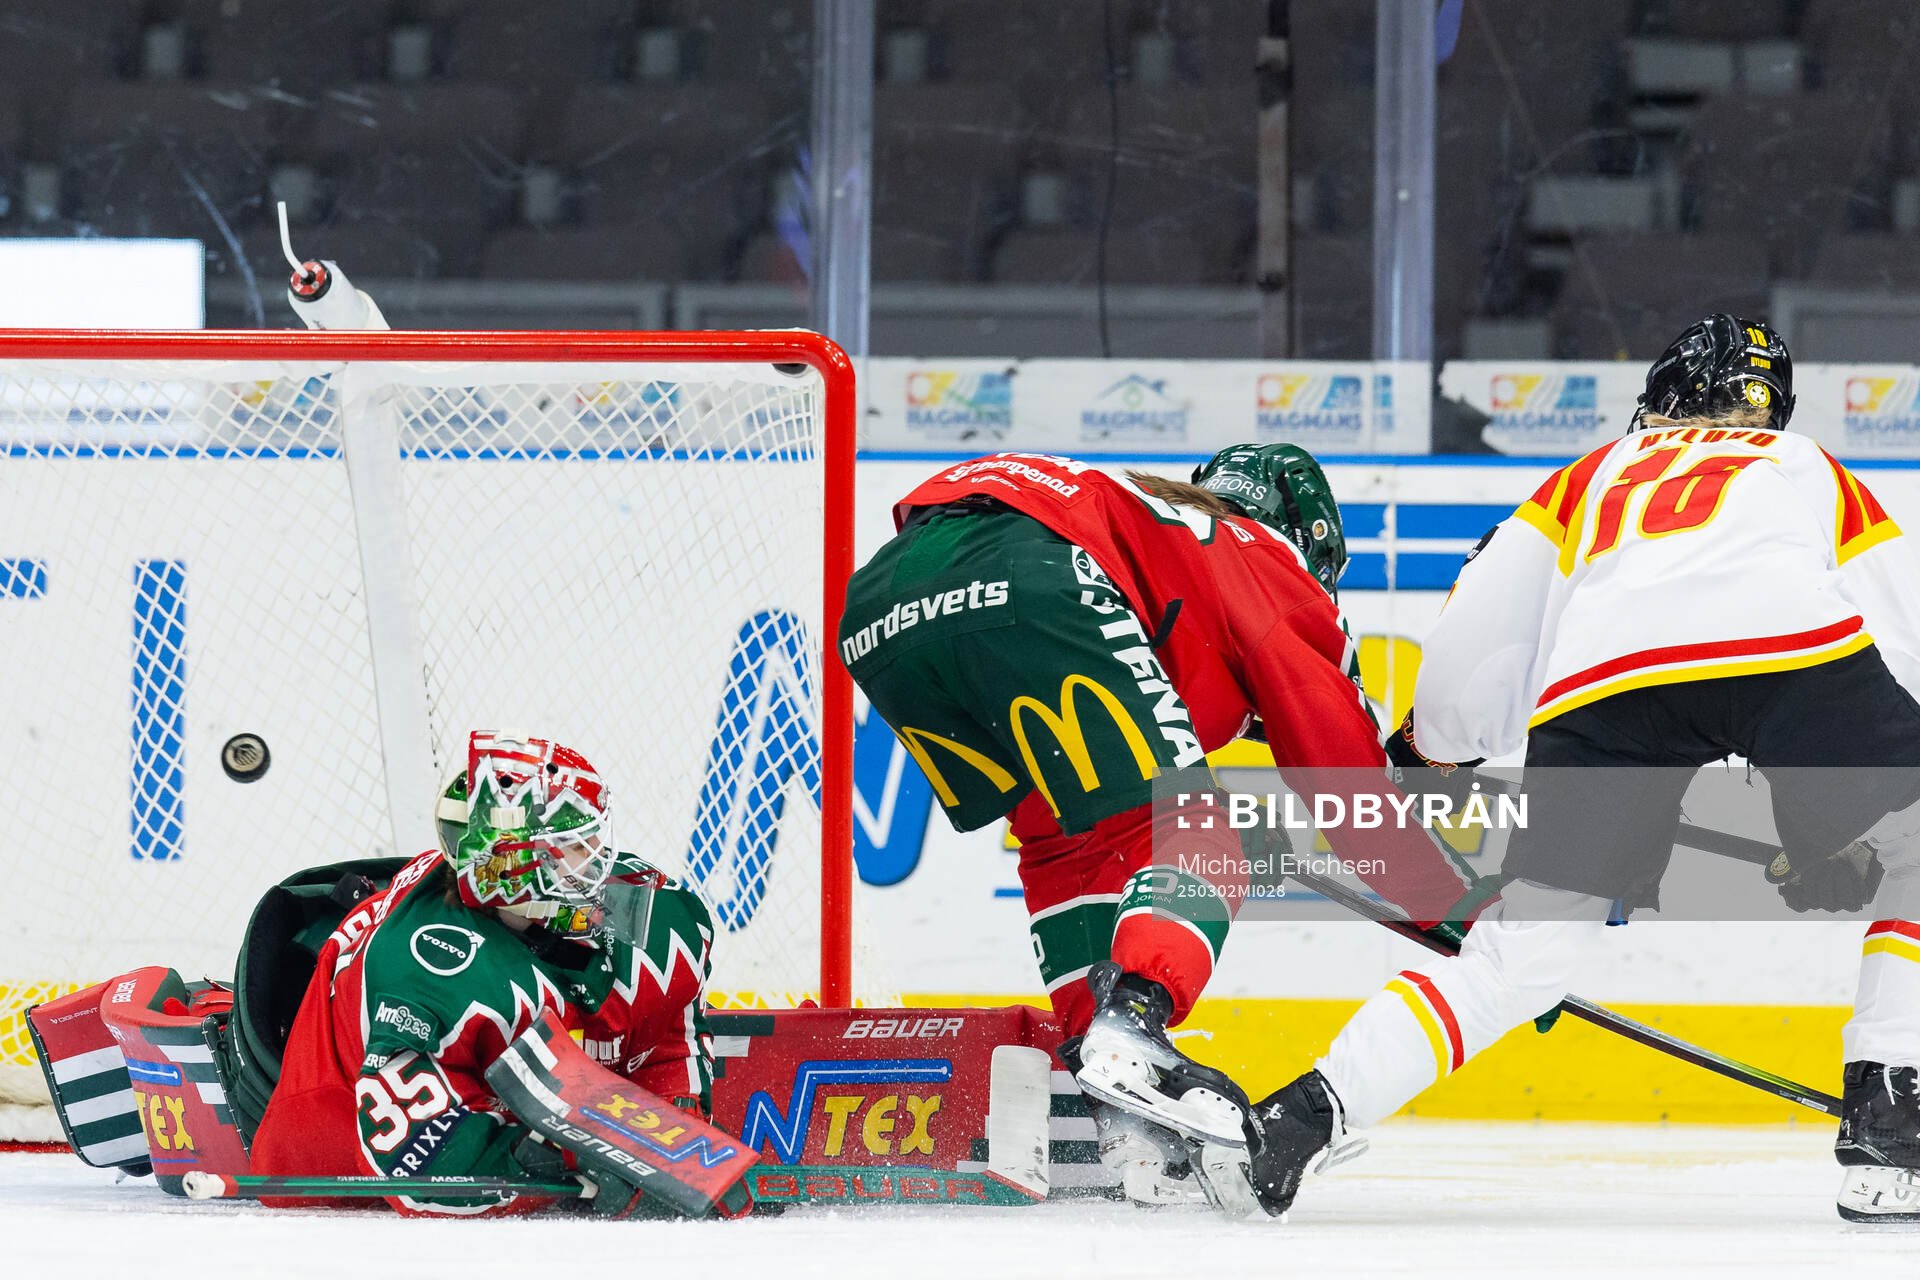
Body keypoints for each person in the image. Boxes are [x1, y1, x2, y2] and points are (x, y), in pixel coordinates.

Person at [1248, 314, 1920, 1223]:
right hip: (1792, 656)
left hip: (1605, 689)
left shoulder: (1588, 474)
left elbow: (1483, 638)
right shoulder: (1805, 465)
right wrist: (1843, 813)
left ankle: (1298, 1119)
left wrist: (1431, 749)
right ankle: (1890, 1115)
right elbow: (1900, 630)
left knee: (1519, 958)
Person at [840, 447, 1474, 1207]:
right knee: (1205, 827)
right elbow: (1354, 794)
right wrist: (1476, 925)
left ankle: (1107, 1087)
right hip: (1032, 570)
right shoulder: (1266, 557)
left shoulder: (1165, 535)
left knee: (1066, 837)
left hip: (883, 608)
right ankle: (1132, 1022)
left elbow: (1076, 834)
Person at [249, 730, 716, 1217]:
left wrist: (680, 1123)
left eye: (592, 838)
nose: (598, 860)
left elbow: (668, 1026)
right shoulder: (422, 970)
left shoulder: (657, 915)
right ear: (514, 866)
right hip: (336, 1131)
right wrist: (557, 1165)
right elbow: (422, 1166)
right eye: (572, 845)